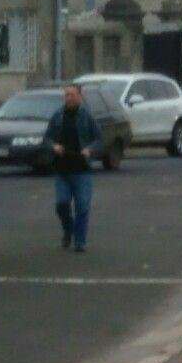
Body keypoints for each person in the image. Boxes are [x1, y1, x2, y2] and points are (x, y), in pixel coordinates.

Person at [45, 83, 104, 252]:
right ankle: (68, 228)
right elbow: (47, 138)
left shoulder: (87, 116)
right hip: (62, 169)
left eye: (72, 95)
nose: (68, 98)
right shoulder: (58, 115)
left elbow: (99, 139)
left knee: (82, 206)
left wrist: (89, 149)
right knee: (62, 204)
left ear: (80, 96)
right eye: (66, 95)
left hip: (82, 170)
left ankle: (80, 241)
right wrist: (54, 146)